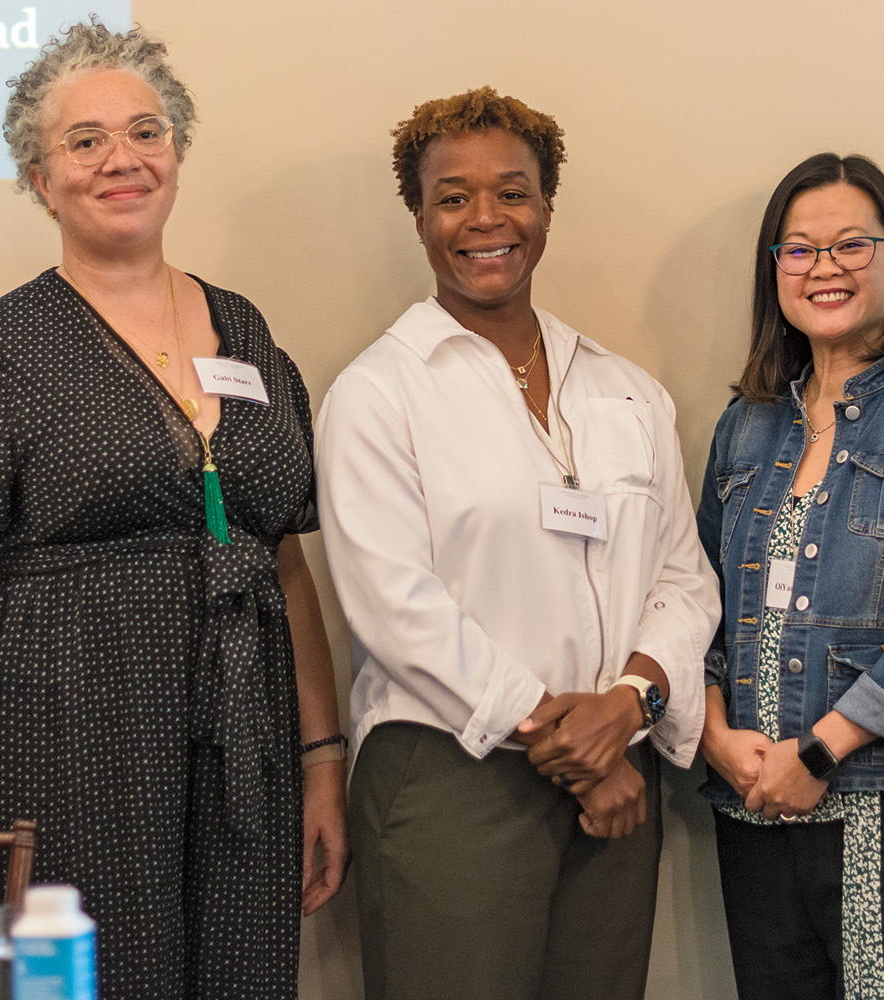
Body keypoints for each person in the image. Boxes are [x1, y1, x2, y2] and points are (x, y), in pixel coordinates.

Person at [0, 21, 347, 999]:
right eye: (83, 141)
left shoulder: (250, 332)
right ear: (41, 179)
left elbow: (283, 566)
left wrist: (320, 759)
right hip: (63, 733)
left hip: (242, 755)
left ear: (176, 152)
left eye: (146, 130)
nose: (120, 158)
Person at [314, 86, 720, 1000]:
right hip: (453, 779)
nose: (485, 219)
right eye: (453, 197)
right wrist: (563, 739)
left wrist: (627, 706)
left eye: (513, 192)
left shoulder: (623, 389)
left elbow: (684, 582)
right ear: (418, 216)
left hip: (621, 768)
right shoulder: (380, 394)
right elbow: (393, 606)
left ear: (546, 207)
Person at [696, 152, 884, 1000]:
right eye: (798, 250)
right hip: (752, 800)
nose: (823, 267)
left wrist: (822, 750)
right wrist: (718, 738)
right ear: (775, 275)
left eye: (850, 246)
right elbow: (699, 604)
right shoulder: (745, 426)